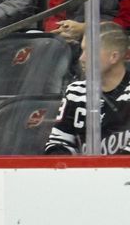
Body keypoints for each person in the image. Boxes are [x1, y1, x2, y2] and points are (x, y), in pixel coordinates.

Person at [45, 21, 130, 154]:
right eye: (82, 50)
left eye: (89, 52)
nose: (82, 58)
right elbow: (58, 143)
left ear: (114, 56)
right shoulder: (75, 91)